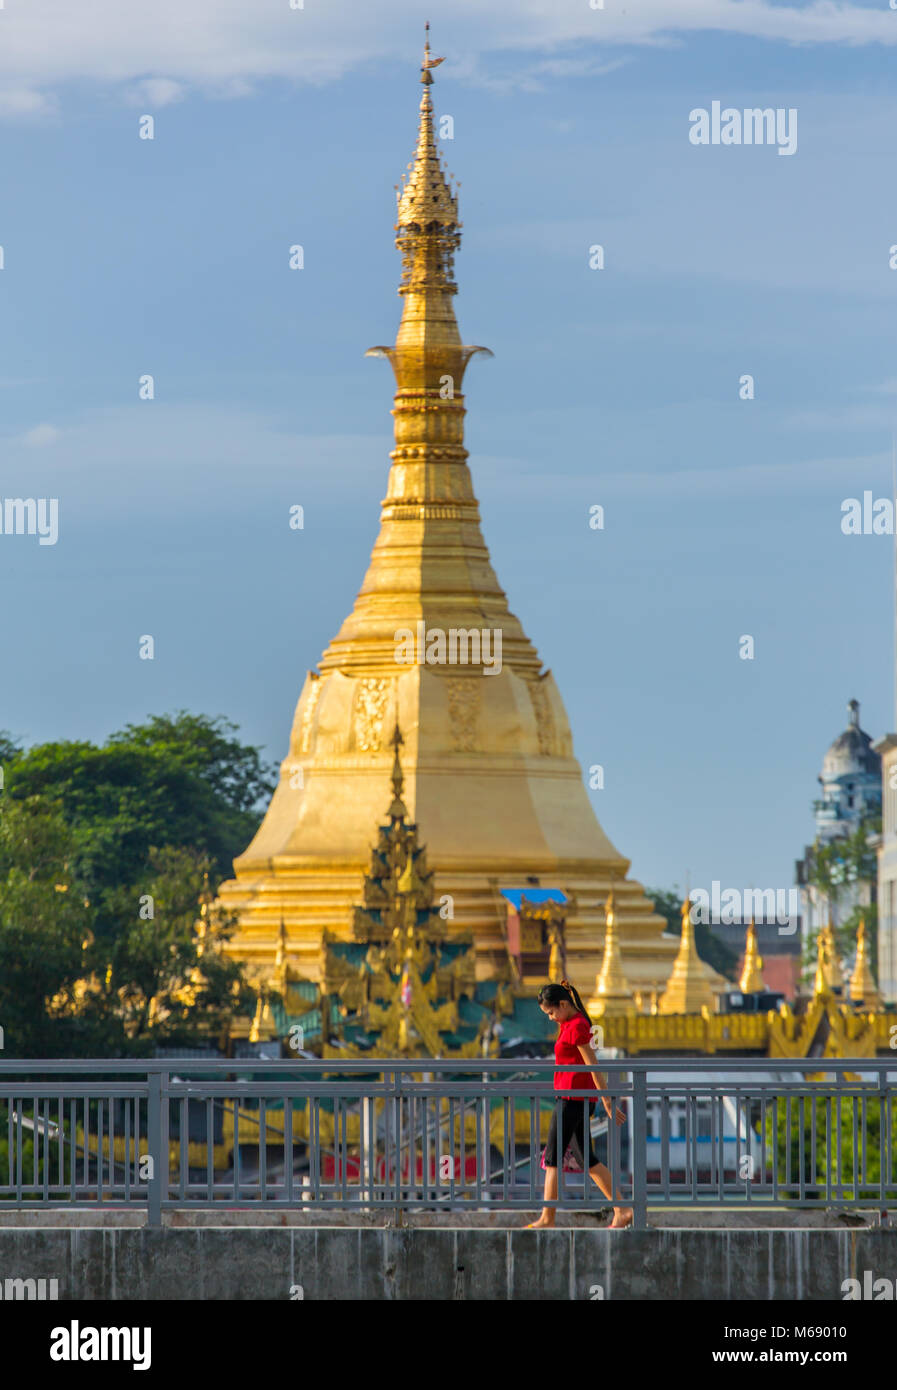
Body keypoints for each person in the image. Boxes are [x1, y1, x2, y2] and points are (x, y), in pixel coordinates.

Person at [524, 979, 633, 1230]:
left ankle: (547, 1218)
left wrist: (606, 1101)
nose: (551, 1018)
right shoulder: (569, 1024)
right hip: (572, 1098)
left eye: (551, 1012)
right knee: (588, 1160)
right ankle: (623, 1209)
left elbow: (592, 1066)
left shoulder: (577, 1026)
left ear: (563, 1004)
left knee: (552, 1159)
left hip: (572, 1101)